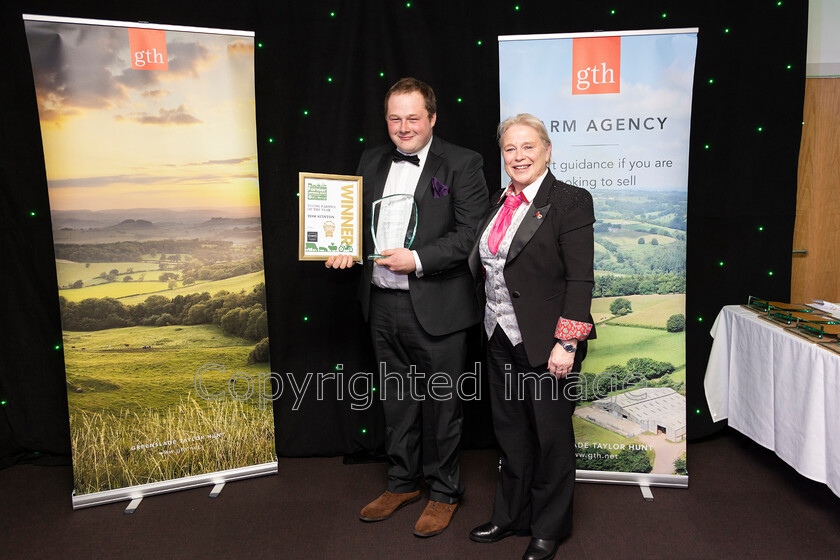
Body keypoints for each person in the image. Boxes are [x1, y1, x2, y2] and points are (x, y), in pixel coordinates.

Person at [326, 77, 489, 537]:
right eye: (395, 118)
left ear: (432, 118)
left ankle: (444, 492)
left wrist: (417, 259)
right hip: (380, 303)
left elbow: (470, 234)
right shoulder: (371, 159)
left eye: (413, 118)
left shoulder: (463, 162)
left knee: (443, 405)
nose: (403, 127)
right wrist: (344, 246)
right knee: (396, 402)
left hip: (438, 306)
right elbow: (355, 224)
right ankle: (401, 483)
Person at [467, 113, 595, 560]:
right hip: (498, 336)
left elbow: (581, 281)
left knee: (551, 436)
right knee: (510, 433)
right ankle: (511, 515)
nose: (518, 156)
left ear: (547, 150)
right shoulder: (498, 203)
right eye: (509, 149)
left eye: (528, 147)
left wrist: (567, 343)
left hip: (548, 343)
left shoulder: (571, 201)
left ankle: (549, 527)